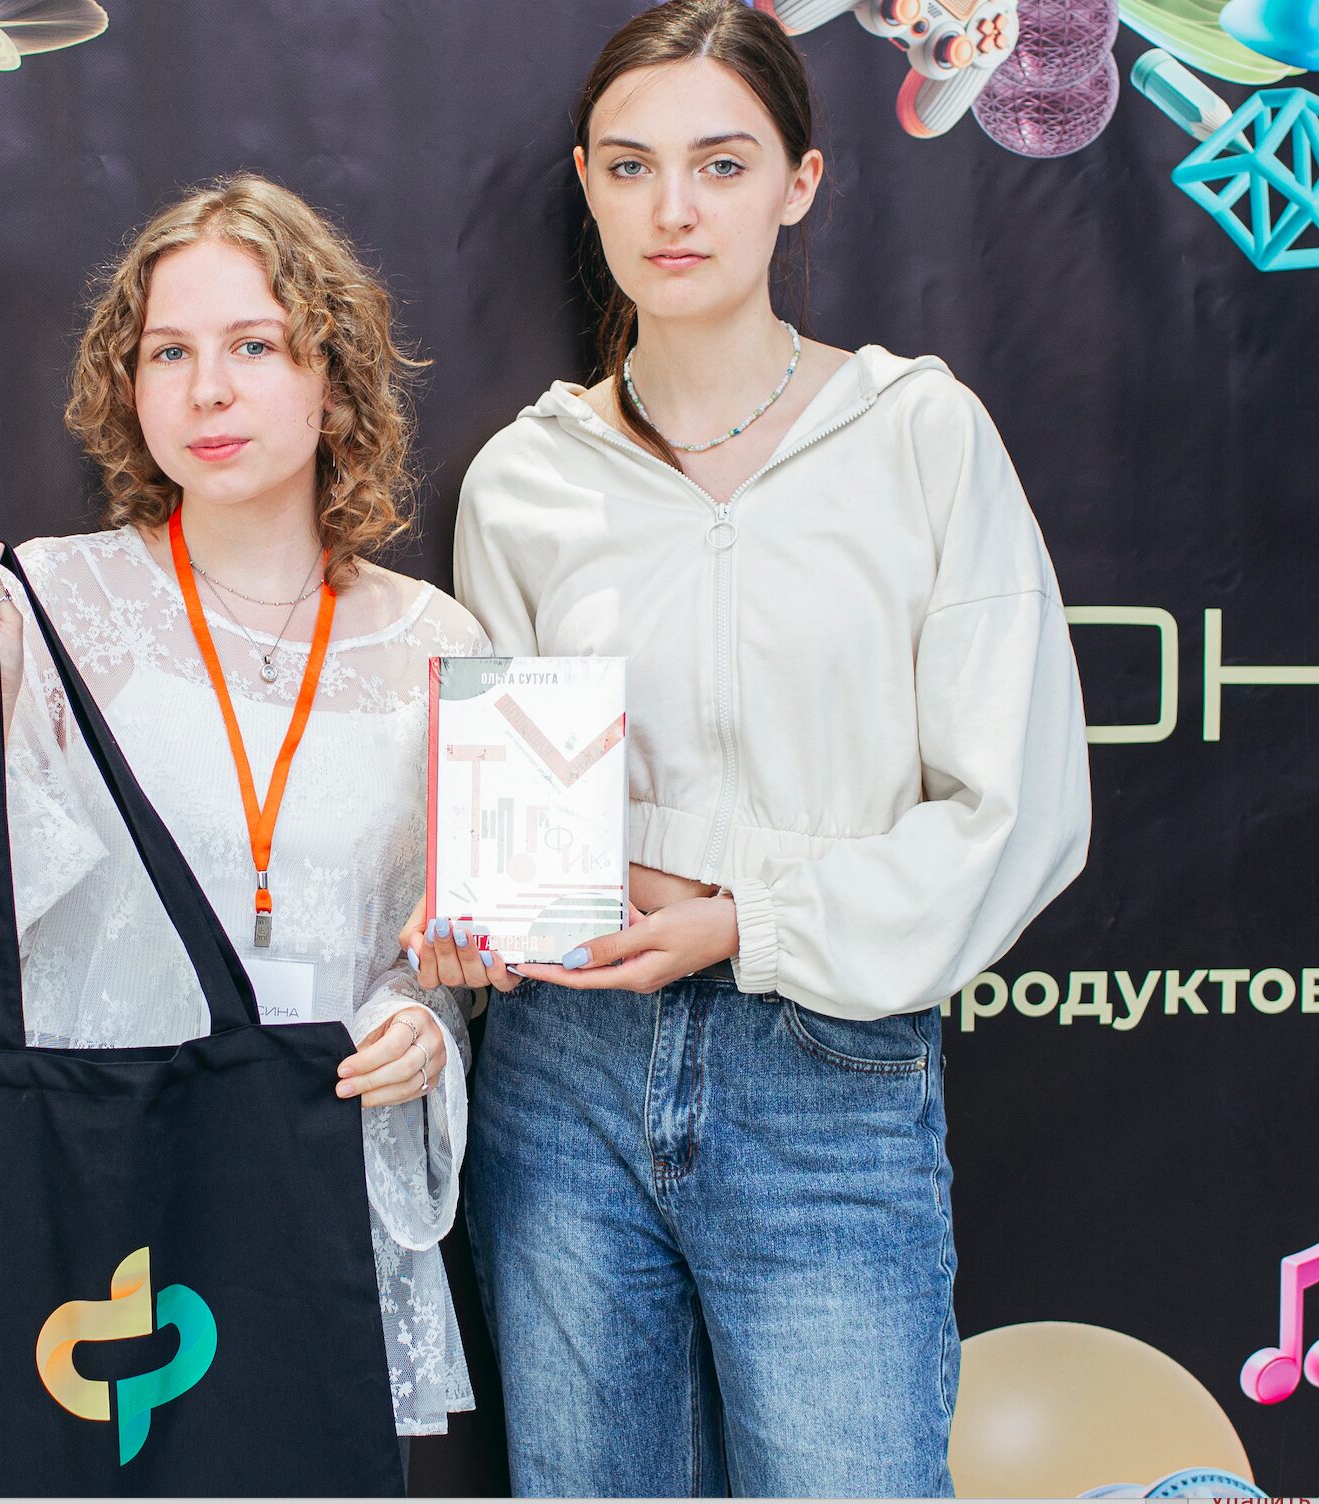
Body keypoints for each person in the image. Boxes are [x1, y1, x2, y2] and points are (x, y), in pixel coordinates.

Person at [428, 1, 1092, 1494]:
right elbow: (511, 821)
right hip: (564, 1081)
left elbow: (1018, 810)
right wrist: (482, 921)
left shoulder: (920, 435)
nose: (674, 208)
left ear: (800, 182)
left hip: (826, 1071)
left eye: (722, 164)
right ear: (587, 186)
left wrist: (753, 919)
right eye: (632, 166)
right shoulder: (525, 478)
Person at [0, 173, 481, 1450]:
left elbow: (436, 953)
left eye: (254, 346)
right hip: (97, 1212)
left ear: (334, 381)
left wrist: (425, 1021)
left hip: (315, 1200)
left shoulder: (440, 645)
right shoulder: (43, 604)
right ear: (127, 384)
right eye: (169, 352)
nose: (207, 390)